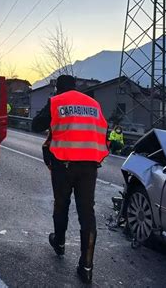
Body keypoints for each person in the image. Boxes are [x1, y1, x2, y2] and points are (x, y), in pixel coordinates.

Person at [32, 75, 109, 284]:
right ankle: (86, 266)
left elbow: (36, 125)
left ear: (58, 88)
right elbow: (104, 131)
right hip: (90, 166)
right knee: (87, 212)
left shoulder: (57, 101)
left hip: (64, 164)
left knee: (61, 204)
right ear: (75, 87)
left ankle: (59, 242)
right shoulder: (93, 104)